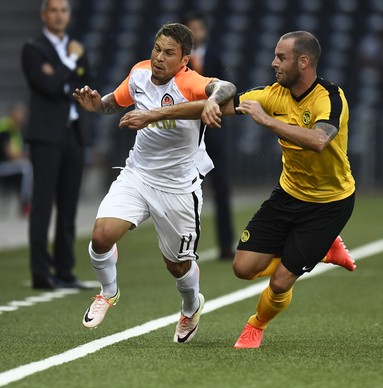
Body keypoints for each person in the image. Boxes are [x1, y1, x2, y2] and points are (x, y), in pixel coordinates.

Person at [119, 31, 356, 349]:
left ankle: (256, 325)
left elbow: (318, 140)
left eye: (281, 57)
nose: (274, 63)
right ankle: (322, 251)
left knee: (282, 280)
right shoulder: (272, 95)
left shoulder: (329, 96)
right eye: (274, 55)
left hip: (329, 203)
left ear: (304, 62)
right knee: (242, 269)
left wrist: (268, 122)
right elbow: (218, 103)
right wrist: (155, 114)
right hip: (288, 194)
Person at [73, 23, 236, 343]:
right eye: (156, 49)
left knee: (177, 267)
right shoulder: (139, 74)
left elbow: (225, 86)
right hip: (138, 175)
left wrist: (214, 100)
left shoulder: (189, 81)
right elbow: (113, 101)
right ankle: (108, 292)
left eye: (169, 53)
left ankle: (191, 307)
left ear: (185, 60)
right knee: (101, 235)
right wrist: (98, 106)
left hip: (177, 188)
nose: (159, 57)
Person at [21, 0, 94, 290]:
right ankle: (41, 273)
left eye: (63, 10)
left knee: (68, 205)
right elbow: (48, 86)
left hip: (73, 133)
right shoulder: (34, 48)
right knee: (43, 204)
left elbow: (88, 83)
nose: (59, 15)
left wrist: (62, 72)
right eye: (53, 10)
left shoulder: (78, 48)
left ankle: (65, 271)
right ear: (44, 15)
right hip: (46, 135)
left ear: (69, 15)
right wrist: (70, 66)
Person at [183, 11, 235, 260]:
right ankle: (186, 247)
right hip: (186, 134)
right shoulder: (177, 63)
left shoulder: (215, 57)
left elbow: (226, 91)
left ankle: (226, 244)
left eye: (198, 30)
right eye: (190, 31)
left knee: (222, 187)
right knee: (186, 191)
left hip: (213, 132)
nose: (195, 35)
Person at [0, 102, 33, 216]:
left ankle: (28, 201)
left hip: (9, 166)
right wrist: (26, 156)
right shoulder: (5, 128)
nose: (22, 118)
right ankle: (25, 204)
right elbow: (10, 154)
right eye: (20, 114)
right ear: (13, 114)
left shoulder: (16, 129)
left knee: (28, 166)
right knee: (27, 168)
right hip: (3, 166)